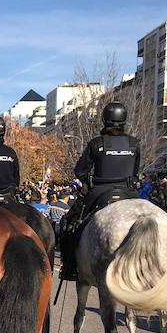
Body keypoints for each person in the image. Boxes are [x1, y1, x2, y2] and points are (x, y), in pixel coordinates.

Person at [58, 101, 141, 281]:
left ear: (104, 120)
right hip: (129, 193)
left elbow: (80, 171)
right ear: (124, 120)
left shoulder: (96, 144)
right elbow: (135, 172)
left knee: (69, 224)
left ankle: (70, 267)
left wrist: (88, 182)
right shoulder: (134, 144)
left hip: (100, 191)